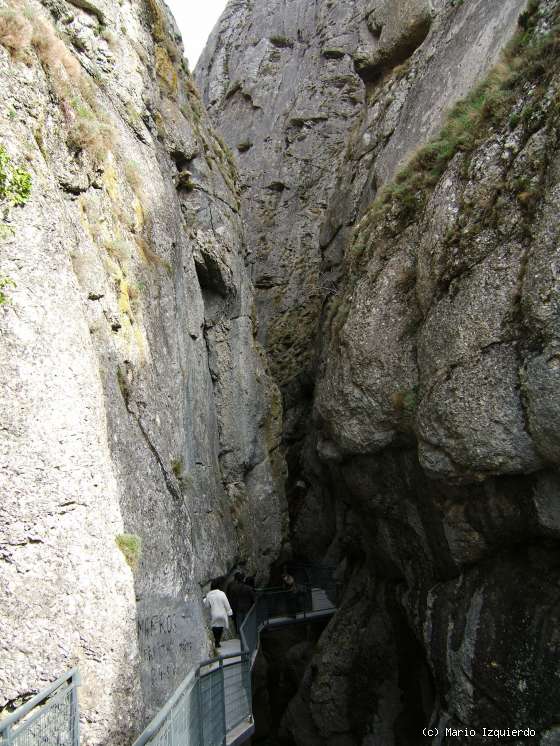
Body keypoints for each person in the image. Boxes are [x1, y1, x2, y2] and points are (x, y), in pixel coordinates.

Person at [203, 579, 233, 651]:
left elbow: (207, 606)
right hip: (222, 613)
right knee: (220, 627)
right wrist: (229, 612)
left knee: (215, 627)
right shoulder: (222, 593)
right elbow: (227, 604)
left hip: (214, 613)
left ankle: (216, 641)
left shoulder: (209, 594)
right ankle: (218, 641)